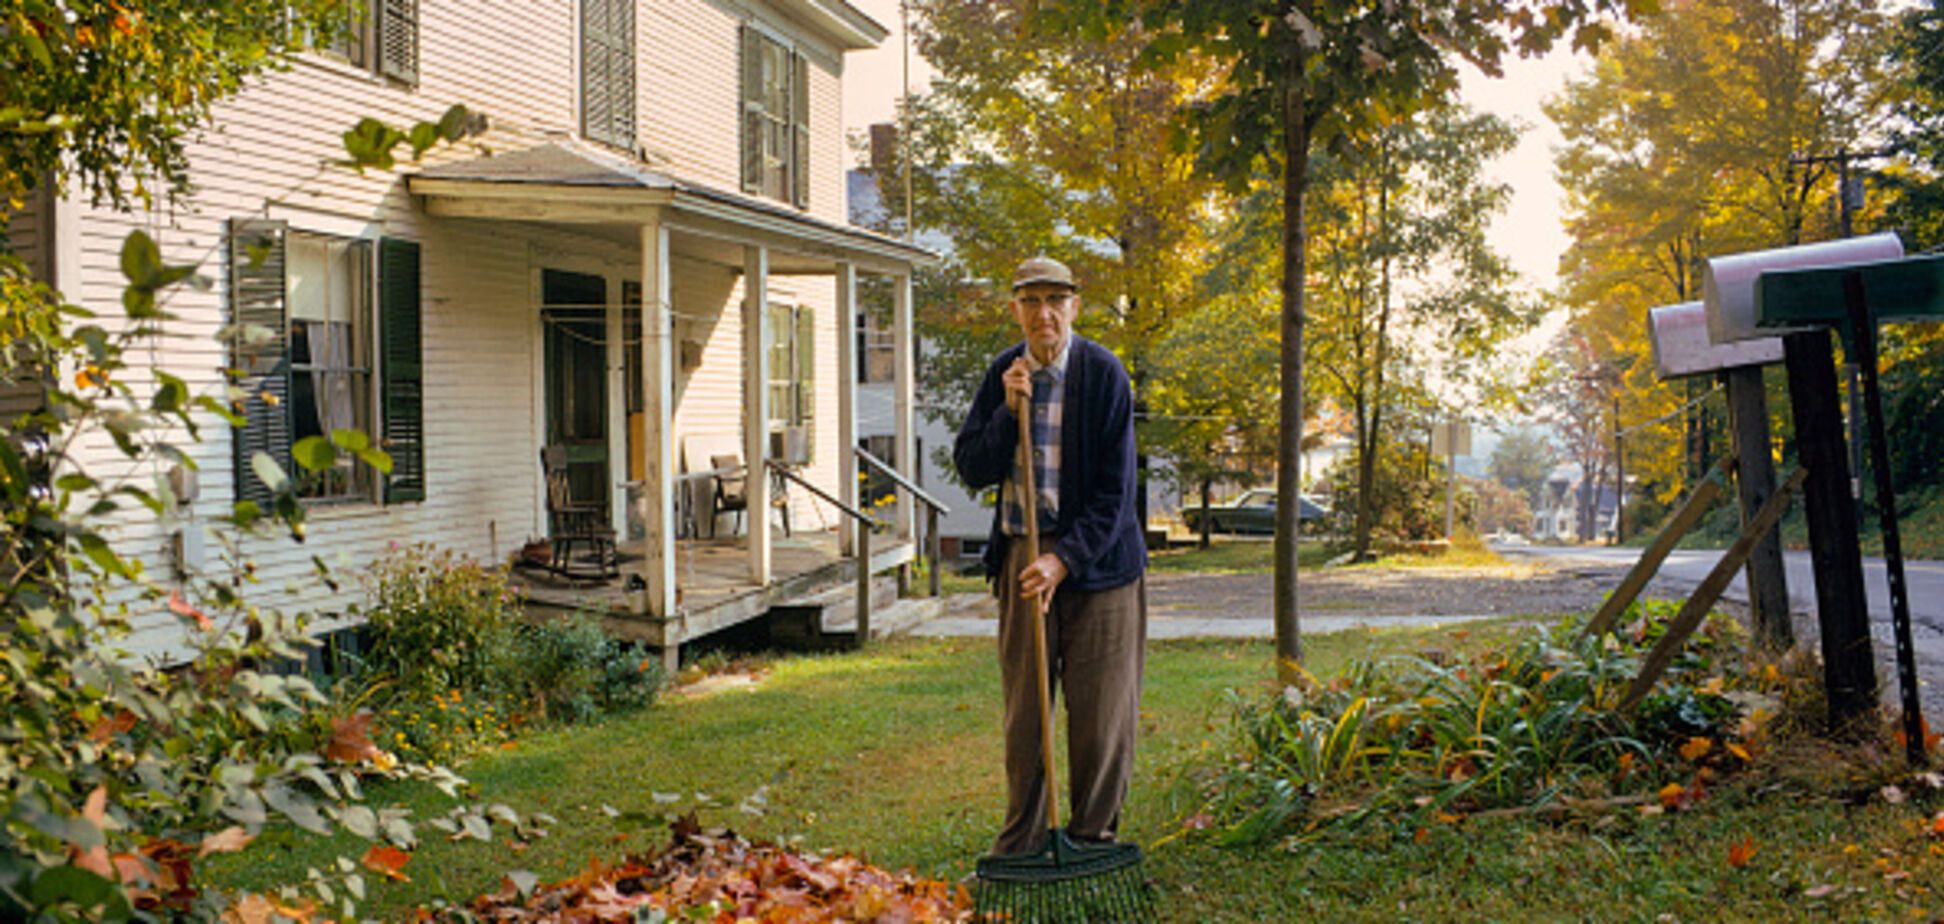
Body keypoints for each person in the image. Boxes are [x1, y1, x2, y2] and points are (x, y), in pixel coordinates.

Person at [952, 255, 1148, 857]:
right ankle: (1023, 842)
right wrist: (1007, 415)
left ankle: (1091, 837)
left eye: (1055, 301)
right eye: (1031, 301)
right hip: (1022, 556)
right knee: (1027, 712)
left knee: (1101, 714)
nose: (1044, 314)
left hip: (1101, 564)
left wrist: (1066, 560)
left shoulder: (1105, 374)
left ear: (1074, 308)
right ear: (1015, 309)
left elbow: (1119, 494)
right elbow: (971, 468)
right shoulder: (1002, 373)